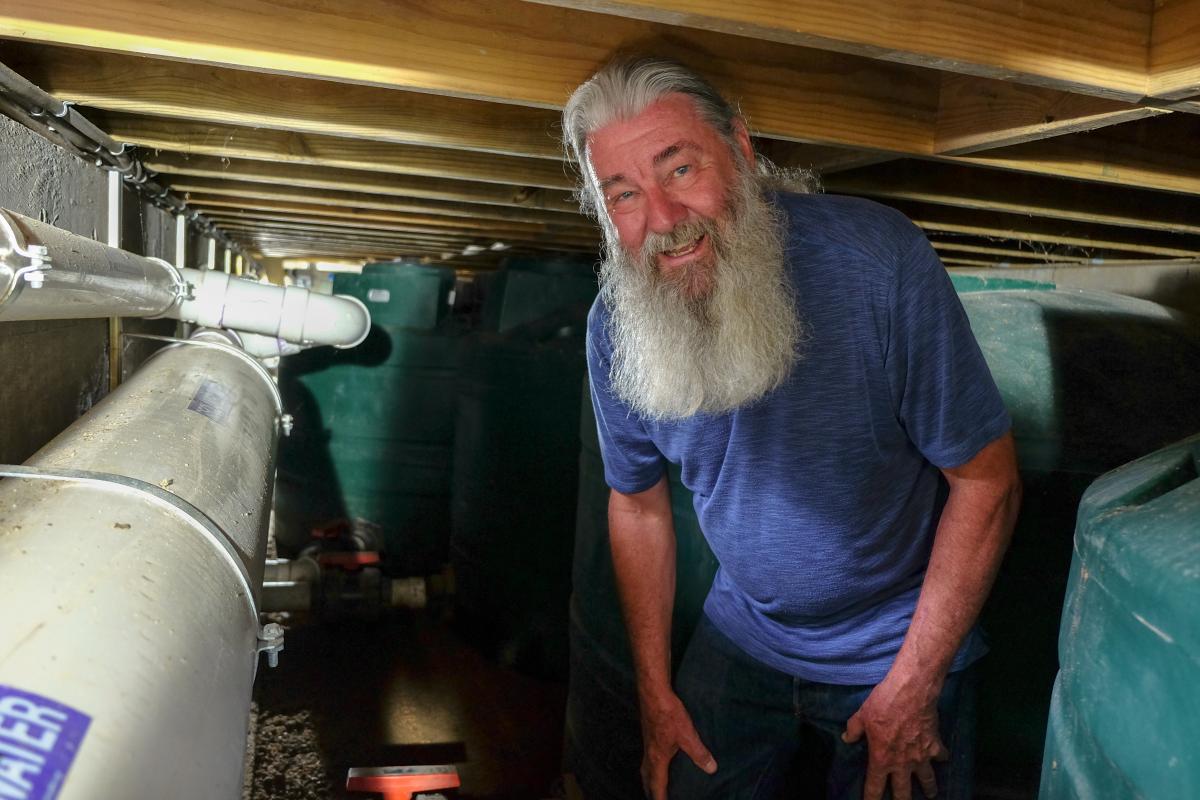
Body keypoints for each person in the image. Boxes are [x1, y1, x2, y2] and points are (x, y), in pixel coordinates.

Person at [562, 56, 1022, 800]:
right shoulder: (616, 323)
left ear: (740, 150)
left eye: (679, 170)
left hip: (895, 644)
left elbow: (987, 479)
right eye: (624, 194)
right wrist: (656, 691)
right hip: (743, 634)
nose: (664, 220)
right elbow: (636, 503)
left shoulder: (878, 262)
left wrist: (915, 682)